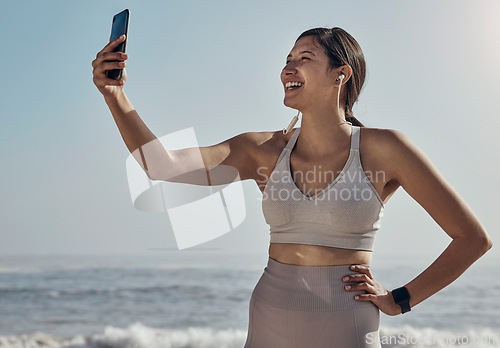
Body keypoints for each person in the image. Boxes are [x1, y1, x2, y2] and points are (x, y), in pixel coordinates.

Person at [92, 27, 493, 347]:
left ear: (341, 74)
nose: (288, 68)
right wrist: (115, 96)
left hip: (346, 322)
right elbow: (163, 166)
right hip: (271, 314)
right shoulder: (261, 150)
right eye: (287, 60)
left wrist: (399, 300)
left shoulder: (385, 149)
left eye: (304, 59)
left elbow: (472, 238)